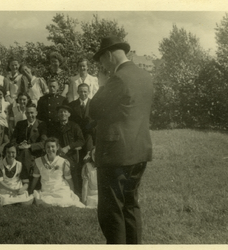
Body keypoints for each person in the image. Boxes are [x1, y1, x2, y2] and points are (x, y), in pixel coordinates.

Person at [89, 36, 153, 244]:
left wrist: (102, 83)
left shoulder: (117, 79)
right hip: (139, 151)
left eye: (103, 62)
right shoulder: (145, 76)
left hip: (115, 155)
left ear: (109, 55)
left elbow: (94, 109)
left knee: (112, 212)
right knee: (130, 206)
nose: (104, 67)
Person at [29, 138, 84, 208]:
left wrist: (72, 193)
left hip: (60, 188)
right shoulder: (38, 161)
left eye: (53, 146)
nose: (50, 149)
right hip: (46, 189)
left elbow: (69, 179)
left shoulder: (63, 162)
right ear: (45, 149)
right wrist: (30, 191)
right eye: (48, 147)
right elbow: (35, 178)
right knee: (45, 201)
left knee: (64, 200)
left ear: (57, 147)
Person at [48, 105, 85, 195]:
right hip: (56, 154)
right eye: (60, 112)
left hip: (70, 155)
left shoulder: (74, 126)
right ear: (58, 114)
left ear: (69, 114)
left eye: (65, 112)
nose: (63, 114)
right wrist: (58, 148)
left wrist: (68, 147)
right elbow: (51, 139)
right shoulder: (54, 126)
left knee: (72, 167)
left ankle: (75, 192)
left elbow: (81, 140)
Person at [10, 103, 47, 174]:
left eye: (32, 113)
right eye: (27, 113)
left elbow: (44, 143)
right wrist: (19, 146)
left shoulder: (42, 125)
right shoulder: (20, 124)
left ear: (36, 113)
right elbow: (12, 141)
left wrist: (29, 146)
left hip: (35, 154)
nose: (30, 115)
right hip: (21, 154)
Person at [68, 83, 96, 157]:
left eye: (85, 91)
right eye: (81, 91)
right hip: (77, 137)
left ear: (89, 92)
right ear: (77, 92)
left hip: (90, 136)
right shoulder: (72, 105)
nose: (83, 94)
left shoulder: (94, 104)